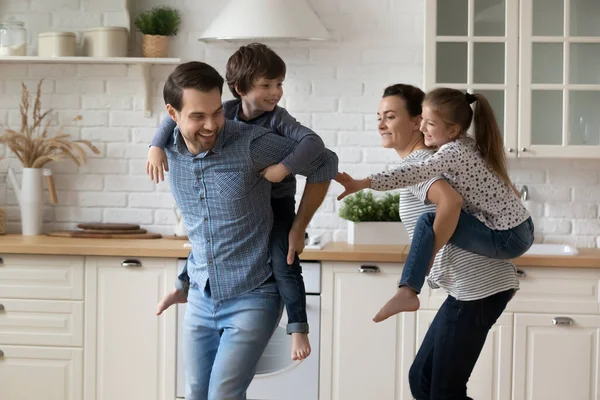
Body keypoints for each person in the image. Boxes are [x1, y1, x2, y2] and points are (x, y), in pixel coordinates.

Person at [161, 61, 337, 400]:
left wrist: (299, 226)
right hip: (201, 293)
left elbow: (325, 162)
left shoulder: (252, 143)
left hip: (253, 294)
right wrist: (183, 282)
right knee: (196, 392)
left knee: (223, 394)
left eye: (216, 112)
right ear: (173, 113)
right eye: (198, 116)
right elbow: (208, 227)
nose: (212, 125)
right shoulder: (166, 149)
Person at [338, 83, 518, 399]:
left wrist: (424, 262)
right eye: (378, 116)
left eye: (390, 116)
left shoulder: (420, 165)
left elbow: (449, 202)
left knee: (443, 389)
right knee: (423, 378)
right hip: (472, 288)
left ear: (416, 121)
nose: (380, 124)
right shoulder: (434, 159)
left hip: (478, 286)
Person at [336, 87, 532, 322]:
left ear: (452, 130)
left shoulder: (449, 152)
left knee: (428, 220)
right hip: (519, 229)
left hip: (505, 241)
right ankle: (409, 289)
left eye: (429, 123)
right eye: (379, 118)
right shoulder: (466, 144)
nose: (422, 128)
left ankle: (408, 289)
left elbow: (417, 174)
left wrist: (365, 182)